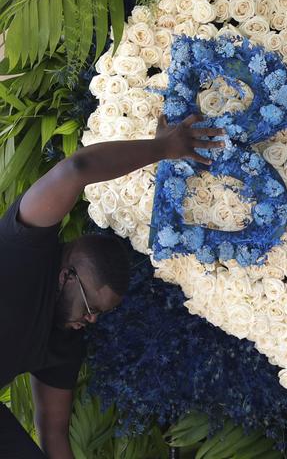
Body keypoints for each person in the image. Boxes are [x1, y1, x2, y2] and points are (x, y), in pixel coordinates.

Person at [0, 113, 224, 458]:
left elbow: (54, 431)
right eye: (91, 308)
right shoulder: (24, 250)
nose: (91, 320)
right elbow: (76, 169)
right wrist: (164, 147)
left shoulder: (64, 341)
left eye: (100, 314)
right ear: (66, 276)